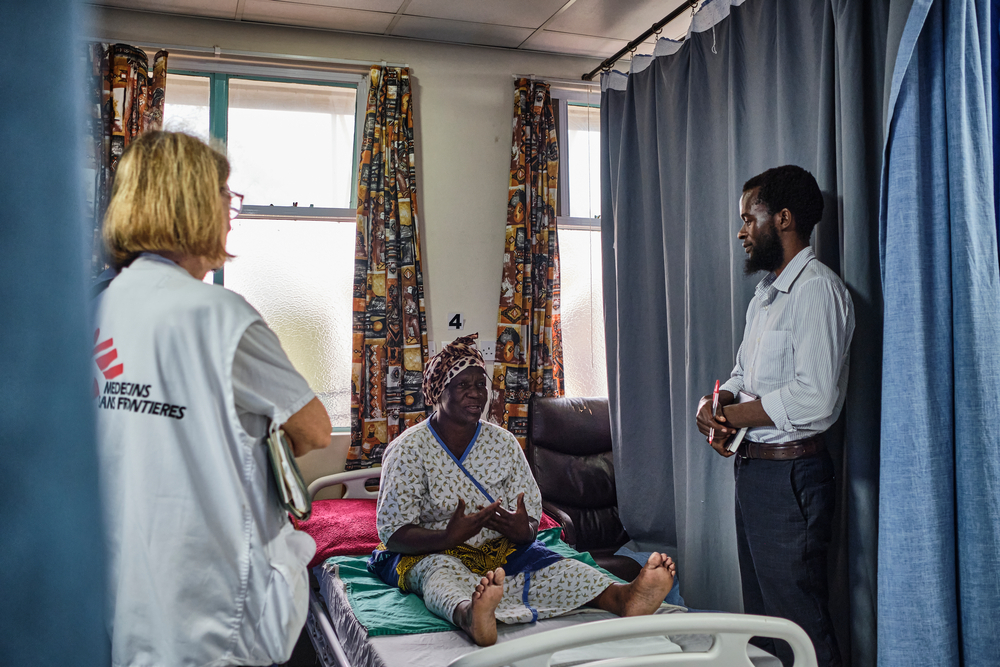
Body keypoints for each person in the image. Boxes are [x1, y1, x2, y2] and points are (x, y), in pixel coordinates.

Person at [94, 131, 332, 666]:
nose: (232, 209)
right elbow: (315, 429)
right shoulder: (222, 318)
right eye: (225, 193)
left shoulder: (102, 310)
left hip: (127, 594)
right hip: (210, 603)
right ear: (191, 204)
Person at [371, 334, 677, 646]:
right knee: (439, 576)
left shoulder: (503, 443)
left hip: (502, 551)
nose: (476, 393)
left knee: (563, 567)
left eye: (480, 384)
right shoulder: (408, 450)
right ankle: (471, 615)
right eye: (463, 385)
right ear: (439, 390)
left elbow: (530, 519)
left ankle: (622, 597)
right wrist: (447, 537)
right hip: (433, 550)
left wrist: (523, 530)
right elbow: (392, 532)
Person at [695, 165, 854, 667]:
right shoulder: (764, 298)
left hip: (793, 476)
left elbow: (815, 398)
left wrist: (736, 417)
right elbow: (742, 374)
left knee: (799, 624)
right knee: (763, 626)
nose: (741, 231)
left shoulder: (817, 291)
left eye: (749, 218)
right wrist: (713, 407)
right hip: (756, 471)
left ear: (783, 219)